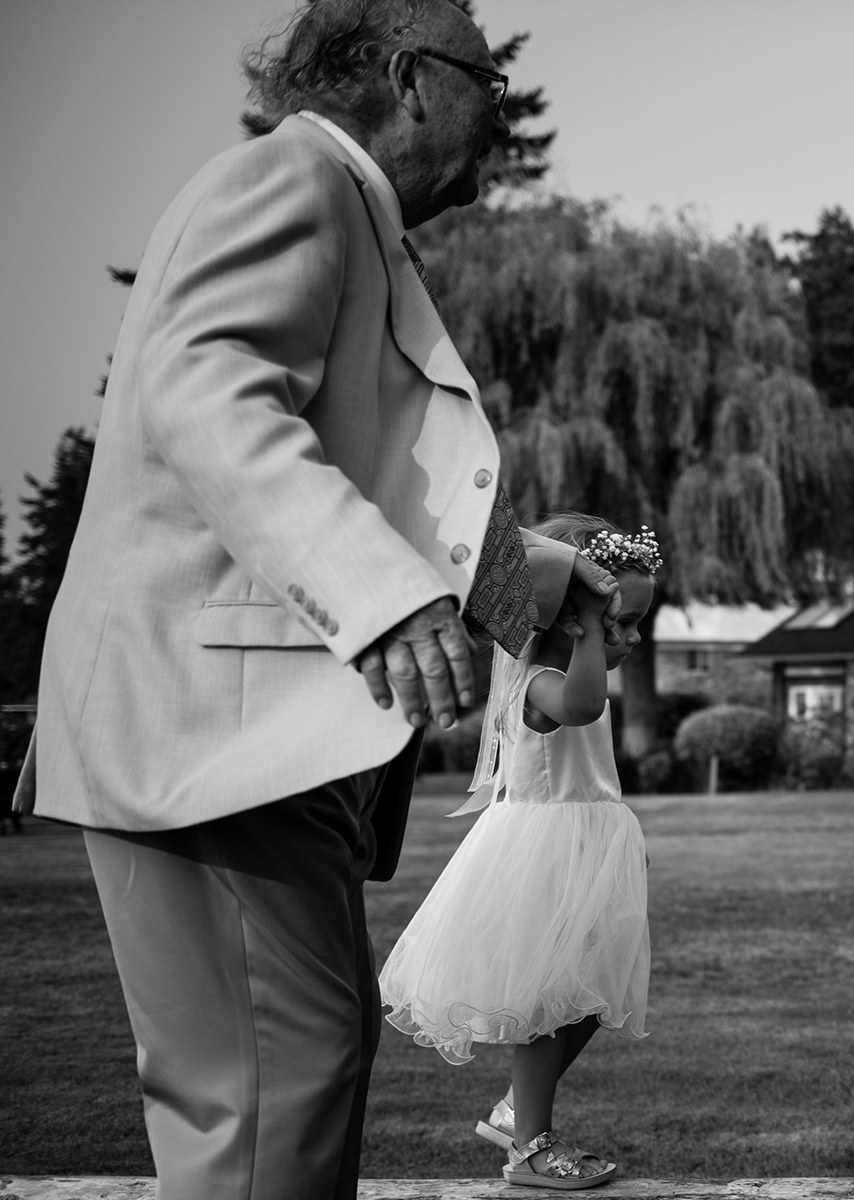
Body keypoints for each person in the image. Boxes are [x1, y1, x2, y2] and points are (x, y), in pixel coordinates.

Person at [10, 2, 619, 1197]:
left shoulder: (347, 216)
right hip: (209, 740)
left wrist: (549, 570)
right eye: (489, 92)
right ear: (409, 76)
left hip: (238, 746)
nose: (500, 129)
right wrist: (381, 601)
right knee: (270, 1080)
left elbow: (373, 489)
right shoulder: (292, 184)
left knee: (301, 1056)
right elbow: (212, 400)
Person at [381, 514, 658, 1190]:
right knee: (547, 1002)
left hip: (587, 844)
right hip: (543, 851)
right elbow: (583, 708)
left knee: (593, 993)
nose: (633, 637)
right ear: (567, 621)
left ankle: (516, 1111)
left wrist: (592, 629)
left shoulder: (573, 656)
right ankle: (530, 1146)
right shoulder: (534, 681)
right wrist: (592, 635)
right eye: (619, 622)